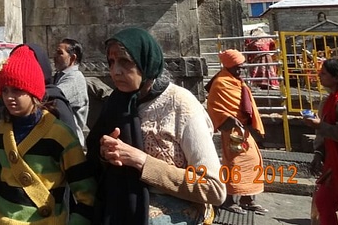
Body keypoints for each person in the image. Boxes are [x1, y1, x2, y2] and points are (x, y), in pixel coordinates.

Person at [87, 28, 225, 224]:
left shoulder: (180, 103)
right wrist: (105, 153)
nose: (115, 71)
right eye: (111, 62)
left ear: (147, 62)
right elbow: (94, 155)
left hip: (177, 207)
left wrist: (142, 162)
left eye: (125, 62)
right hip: (122, 201)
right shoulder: (115, 103)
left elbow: (214, 189)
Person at [0, 46, 96, 225]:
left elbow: (86, 193)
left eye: (17, 90)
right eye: (5, 90)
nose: (10, 97)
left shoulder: (60, 136)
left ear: (34, 92)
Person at [206, 49, 266, 215]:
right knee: (235, 163)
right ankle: (229, 200)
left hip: (244, 129)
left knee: (253, 160)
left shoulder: (236, 80)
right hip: (232, 130)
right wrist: (228, 118)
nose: (241, 70)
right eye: (238, 67)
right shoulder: (221, 82)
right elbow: (214, 106)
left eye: (242, 66)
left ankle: (248, 199)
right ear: (229, 66)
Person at [306, 58, 338, 225]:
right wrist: (318, 153)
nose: (319, 76)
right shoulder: (328, 101)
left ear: (336, 78)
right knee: (324, 201)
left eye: (323, 73)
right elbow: (322, 133)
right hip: (332, 164)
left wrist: (320, 125)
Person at [53, 38, 90, 144]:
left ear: (72, 58)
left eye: (60, 53)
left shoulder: (74, 78)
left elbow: (54, 98)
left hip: (70, 143)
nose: (55, 56)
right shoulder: (60, 76)